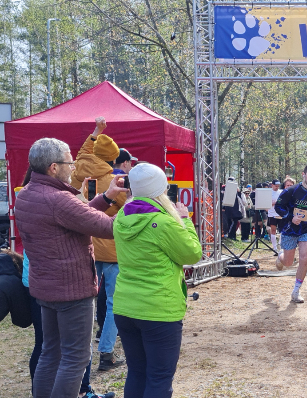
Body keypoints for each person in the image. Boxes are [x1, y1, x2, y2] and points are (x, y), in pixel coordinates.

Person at [16, 137, 127, 398]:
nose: (73, 167)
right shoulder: (57, 198)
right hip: (71, 290)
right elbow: (107, 228)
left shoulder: (29, 193)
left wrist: (106, 197)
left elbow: (75, 217)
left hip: (46, 289)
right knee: (75, 358)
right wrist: (137, 207)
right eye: (70, 162)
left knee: (51, 353)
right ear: (54, 167)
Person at [112, 163, 202, 397]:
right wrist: (186, 220)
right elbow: (192, 253)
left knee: (137, 372)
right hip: (158, 310)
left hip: (125, 306)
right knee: (159, 377)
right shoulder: (162, 223)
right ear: (161, 189)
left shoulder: (122, 215)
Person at [69, 117, 132, 372]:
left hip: (87, 245)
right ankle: (106, 352)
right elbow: (129, 211)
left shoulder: (76, 170)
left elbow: (85, 150)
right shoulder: (111, 182)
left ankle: (82, 358)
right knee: (114, 303)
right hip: (112, 248)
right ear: (114, 159)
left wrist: (96, 132)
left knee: (86, 302)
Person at [274, 164, 307, 303]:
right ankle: (280, 257)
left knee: (304, 258)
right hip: (289, 229)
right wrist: (290, 217)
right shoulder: (291, 191)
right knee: (288, 262)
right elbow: (279, 206)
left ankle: (296, 291)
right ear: (303, 174)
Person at [266, 179, 285, 254]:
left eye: (278, 186)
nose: (277, 187)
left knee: (282, 231)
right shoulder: (269, 193)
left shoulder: (281, 192)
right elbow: (267, 203)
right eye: (275, 186)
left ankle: (280, 246)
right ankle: (274, 248)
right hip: (272, 214)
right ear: (272, 185)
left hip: (280, 214)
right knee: (273, 230)